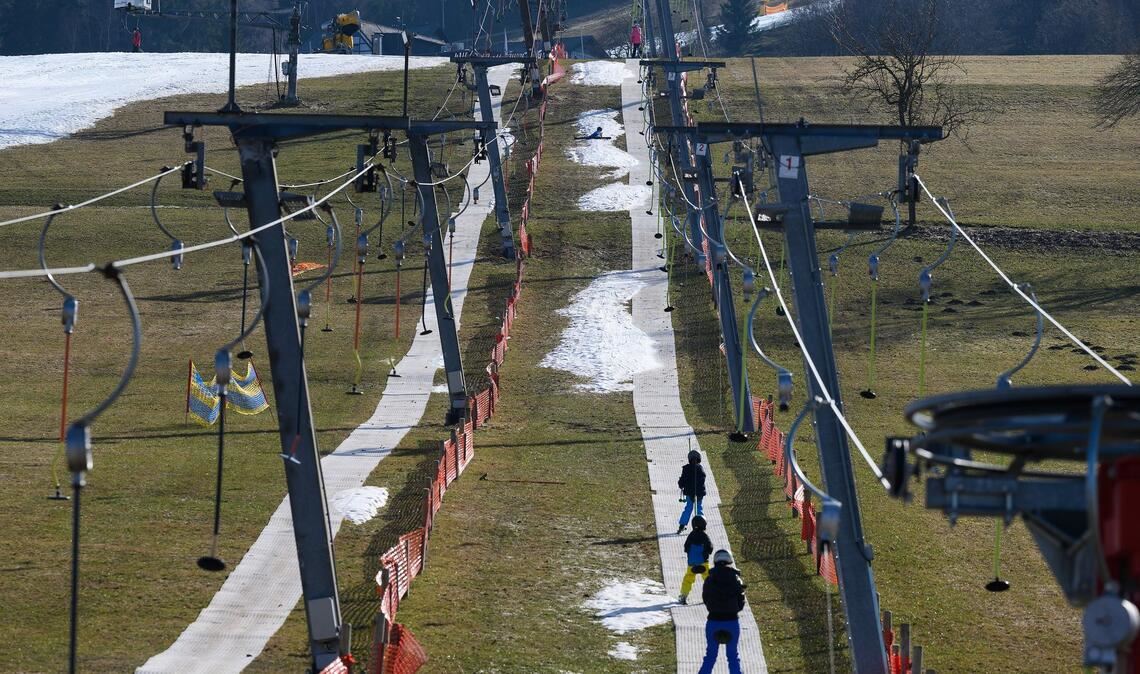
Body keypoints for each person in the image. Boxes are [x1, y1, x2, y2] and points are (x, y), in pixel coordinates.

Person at [699, 549, 746, 674]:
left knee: (710, 655)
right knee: (732, 656)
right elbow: (741, 601)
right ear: (729, 560)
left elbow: (705, 598)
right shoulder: (736, 579)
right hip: (731, 621)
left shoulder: (709, 579)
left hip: (713, 621)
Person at [679, 515, 712, 604]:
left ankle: (683, 595)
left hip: (692, 563)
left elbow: (686, 547)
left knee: (688, 578)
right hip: (703, 563)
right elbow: (710, 547)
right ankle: (711, 595)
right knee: (708, 578)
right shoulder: (705, 536)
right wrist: (708, 552)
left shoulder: (691, 535)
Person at [677, 449, 706, 534]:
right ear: (699, 460)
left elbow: (683, 480)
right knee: (699, 508)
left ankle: (682, 525)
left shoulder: (686, 469)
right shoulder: (700, 469)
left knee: (688, 508)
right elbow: (702, 481)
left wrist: (681, 484)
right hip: (699, 494)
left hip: (690, 494)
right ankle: (701, 525)